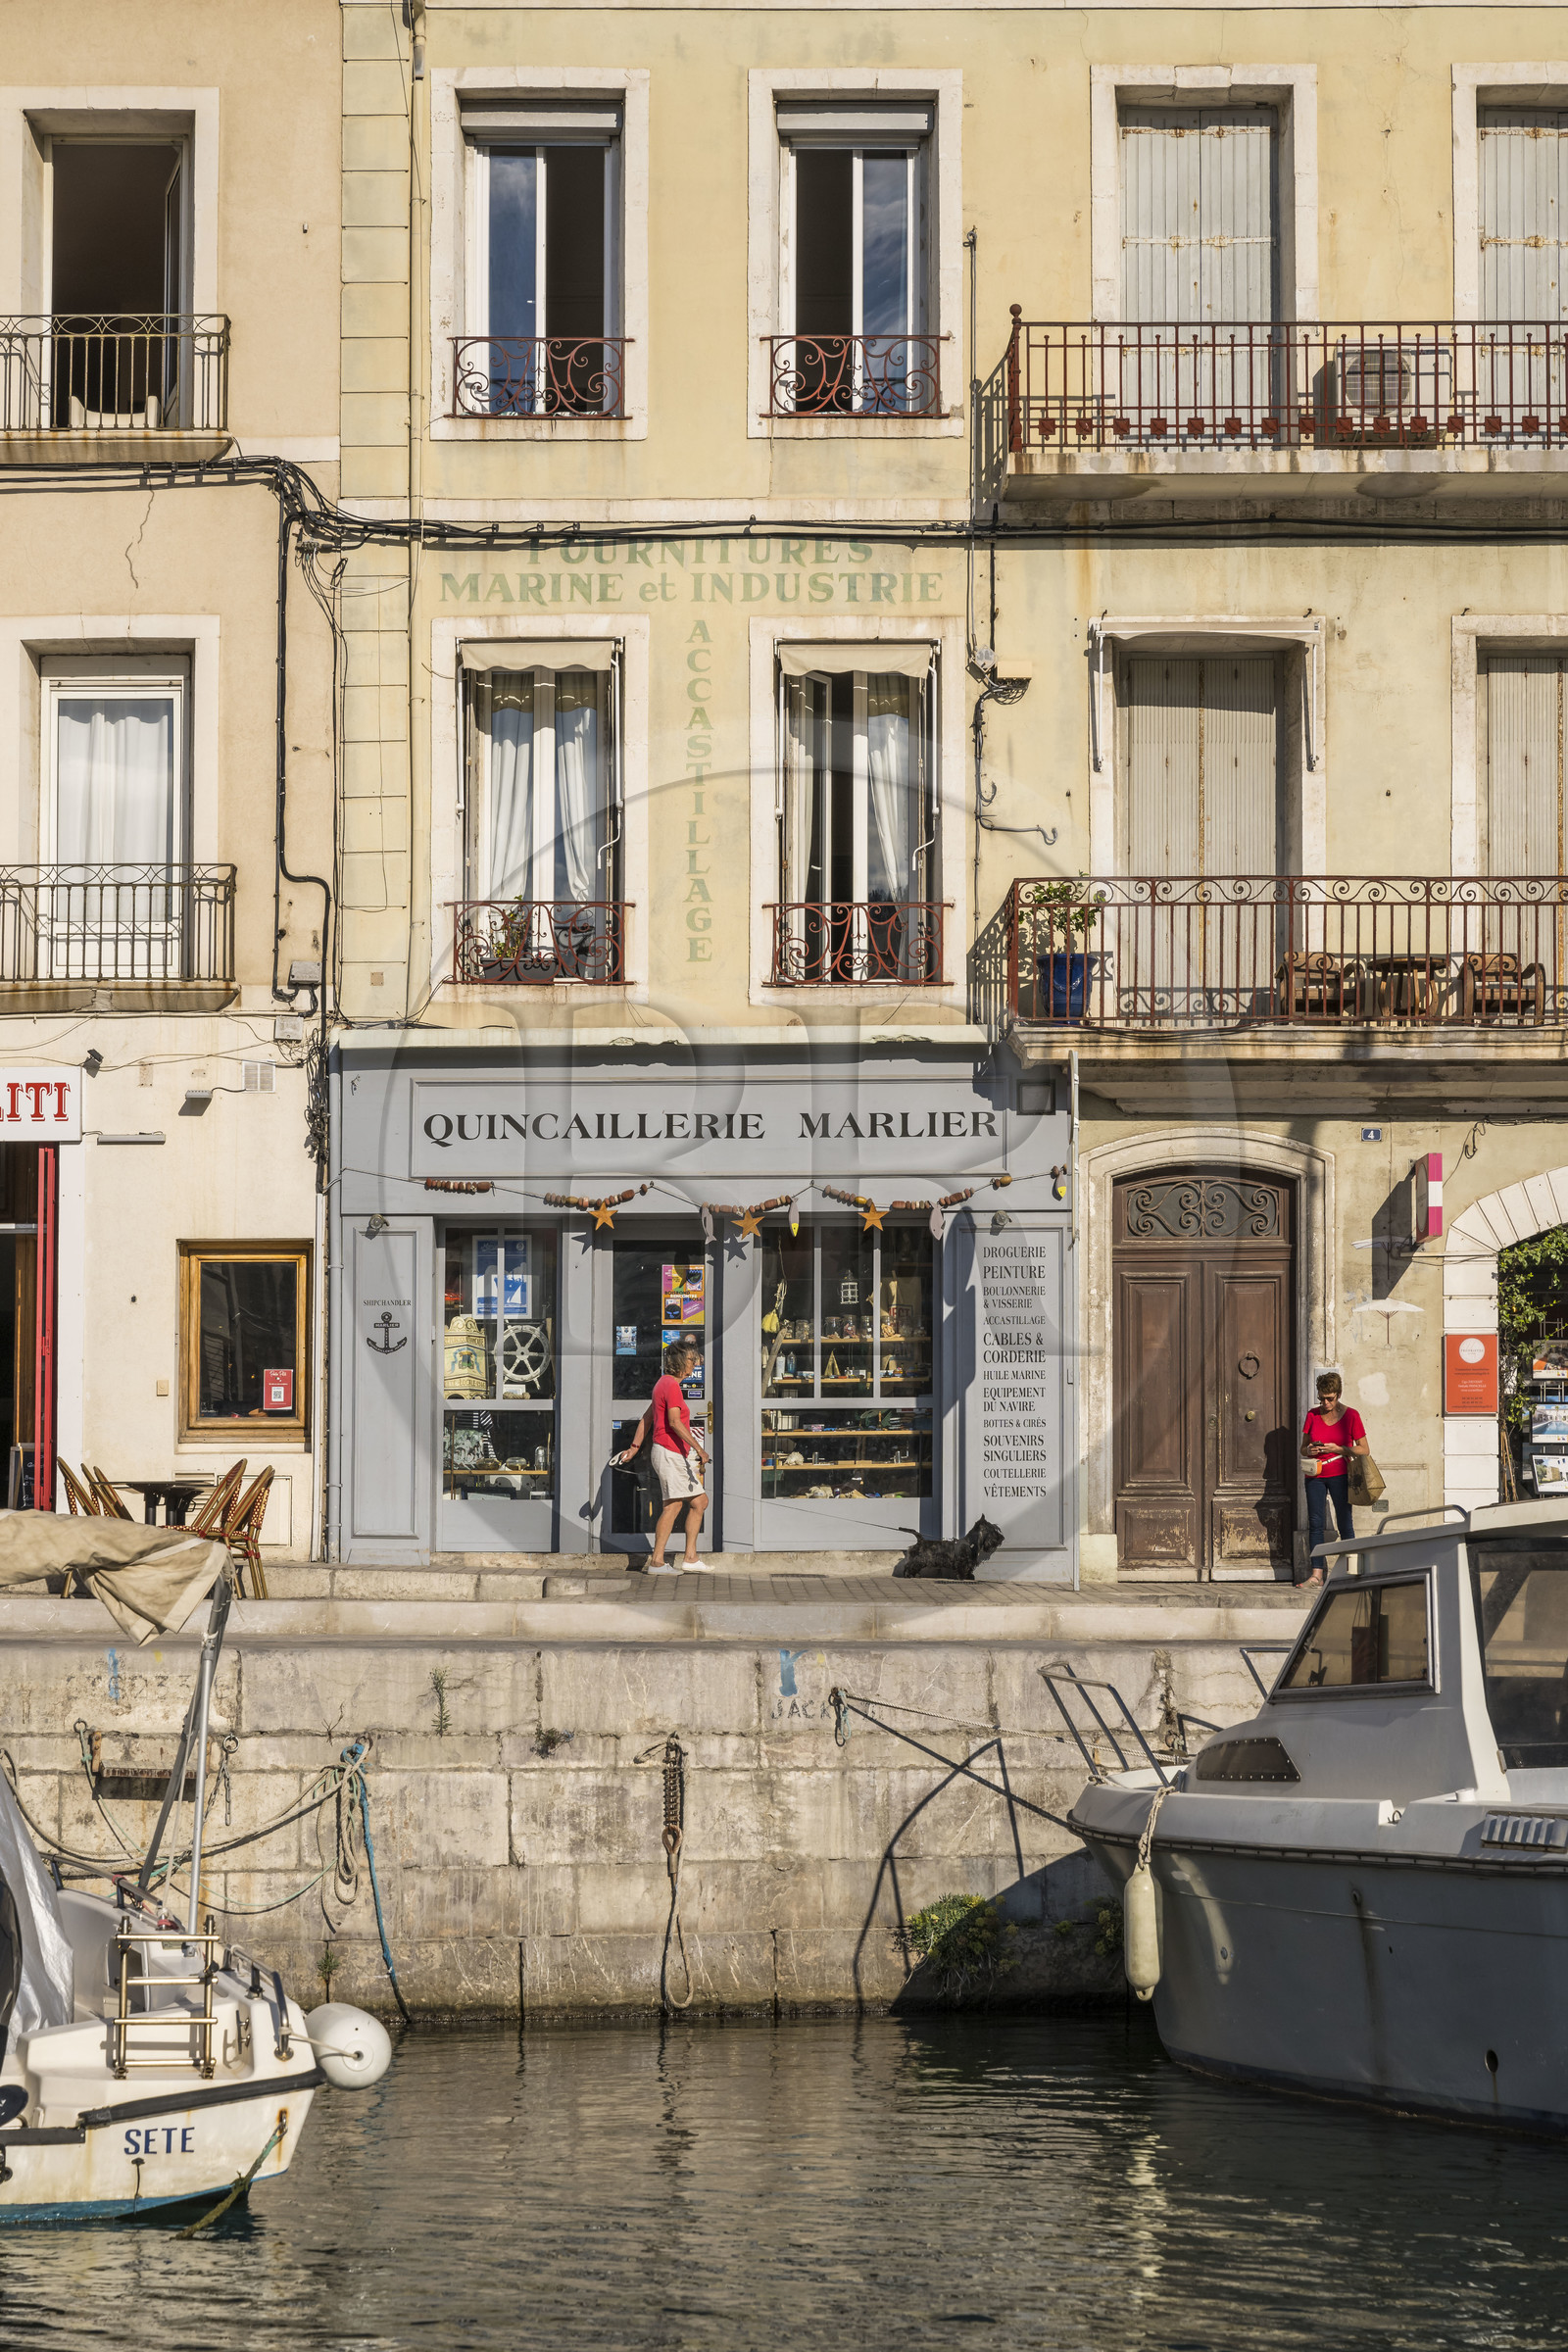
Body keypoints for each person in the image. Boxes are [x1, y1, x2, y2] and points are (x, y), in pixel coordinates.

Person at [616, 1341, 709, 1573]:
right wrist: (699, 1449)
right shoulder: (671, 1386)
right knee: (673, 1505)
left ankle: (690, 1557)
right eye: (691, 1360)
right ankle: (657, 1561)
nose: (694, 1364)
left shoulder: (663, 1384)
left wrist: (635, 1447)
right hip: (669, 1452)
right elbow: (675, 1422)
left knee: (699, 1502)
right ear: (680, 1362)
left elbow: (647, 1419)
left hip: (671, 1452)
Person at [1299, 1370, 1368, 1585]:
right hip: (1315, 1476)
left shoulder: (1351, 1416)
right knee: (1316, 1524)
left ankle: (1352, 1571)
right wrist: (1309, 1450)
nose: (1325, 1403)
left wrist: (1340, 1449)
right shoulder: (1312, 1415)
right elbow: (1302, 1448)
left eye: (1330, 1398)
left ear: (1338, 1394)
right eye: (1321, 1398)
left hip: (1340, 1475)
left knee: (1345, 1522)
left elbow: (1364, 1449)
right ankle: (1317, 1574)